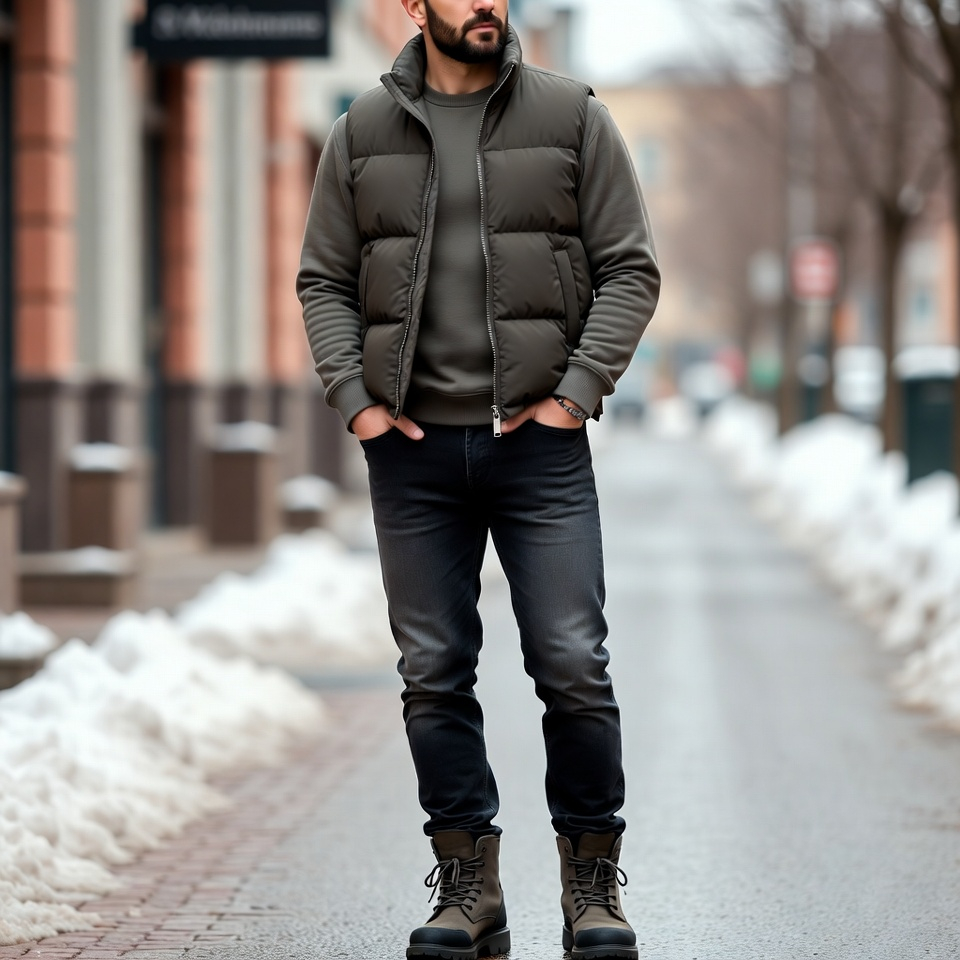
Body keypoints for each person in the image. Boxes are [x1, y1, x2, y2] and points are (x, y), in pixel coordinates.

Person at [297, 0, 660, 956]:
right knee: (432, 672)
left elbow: (631, 268)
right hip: (412, 454)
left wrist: (575, 394)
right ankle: (471, 883)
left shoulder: (572, 114)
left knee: (573, 664)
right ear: (413, 6)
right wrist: (357, 401)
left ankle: (592, 886)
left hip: (538, 447)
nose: (486, 3)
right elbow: (322, 279)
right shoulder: (360, 130)